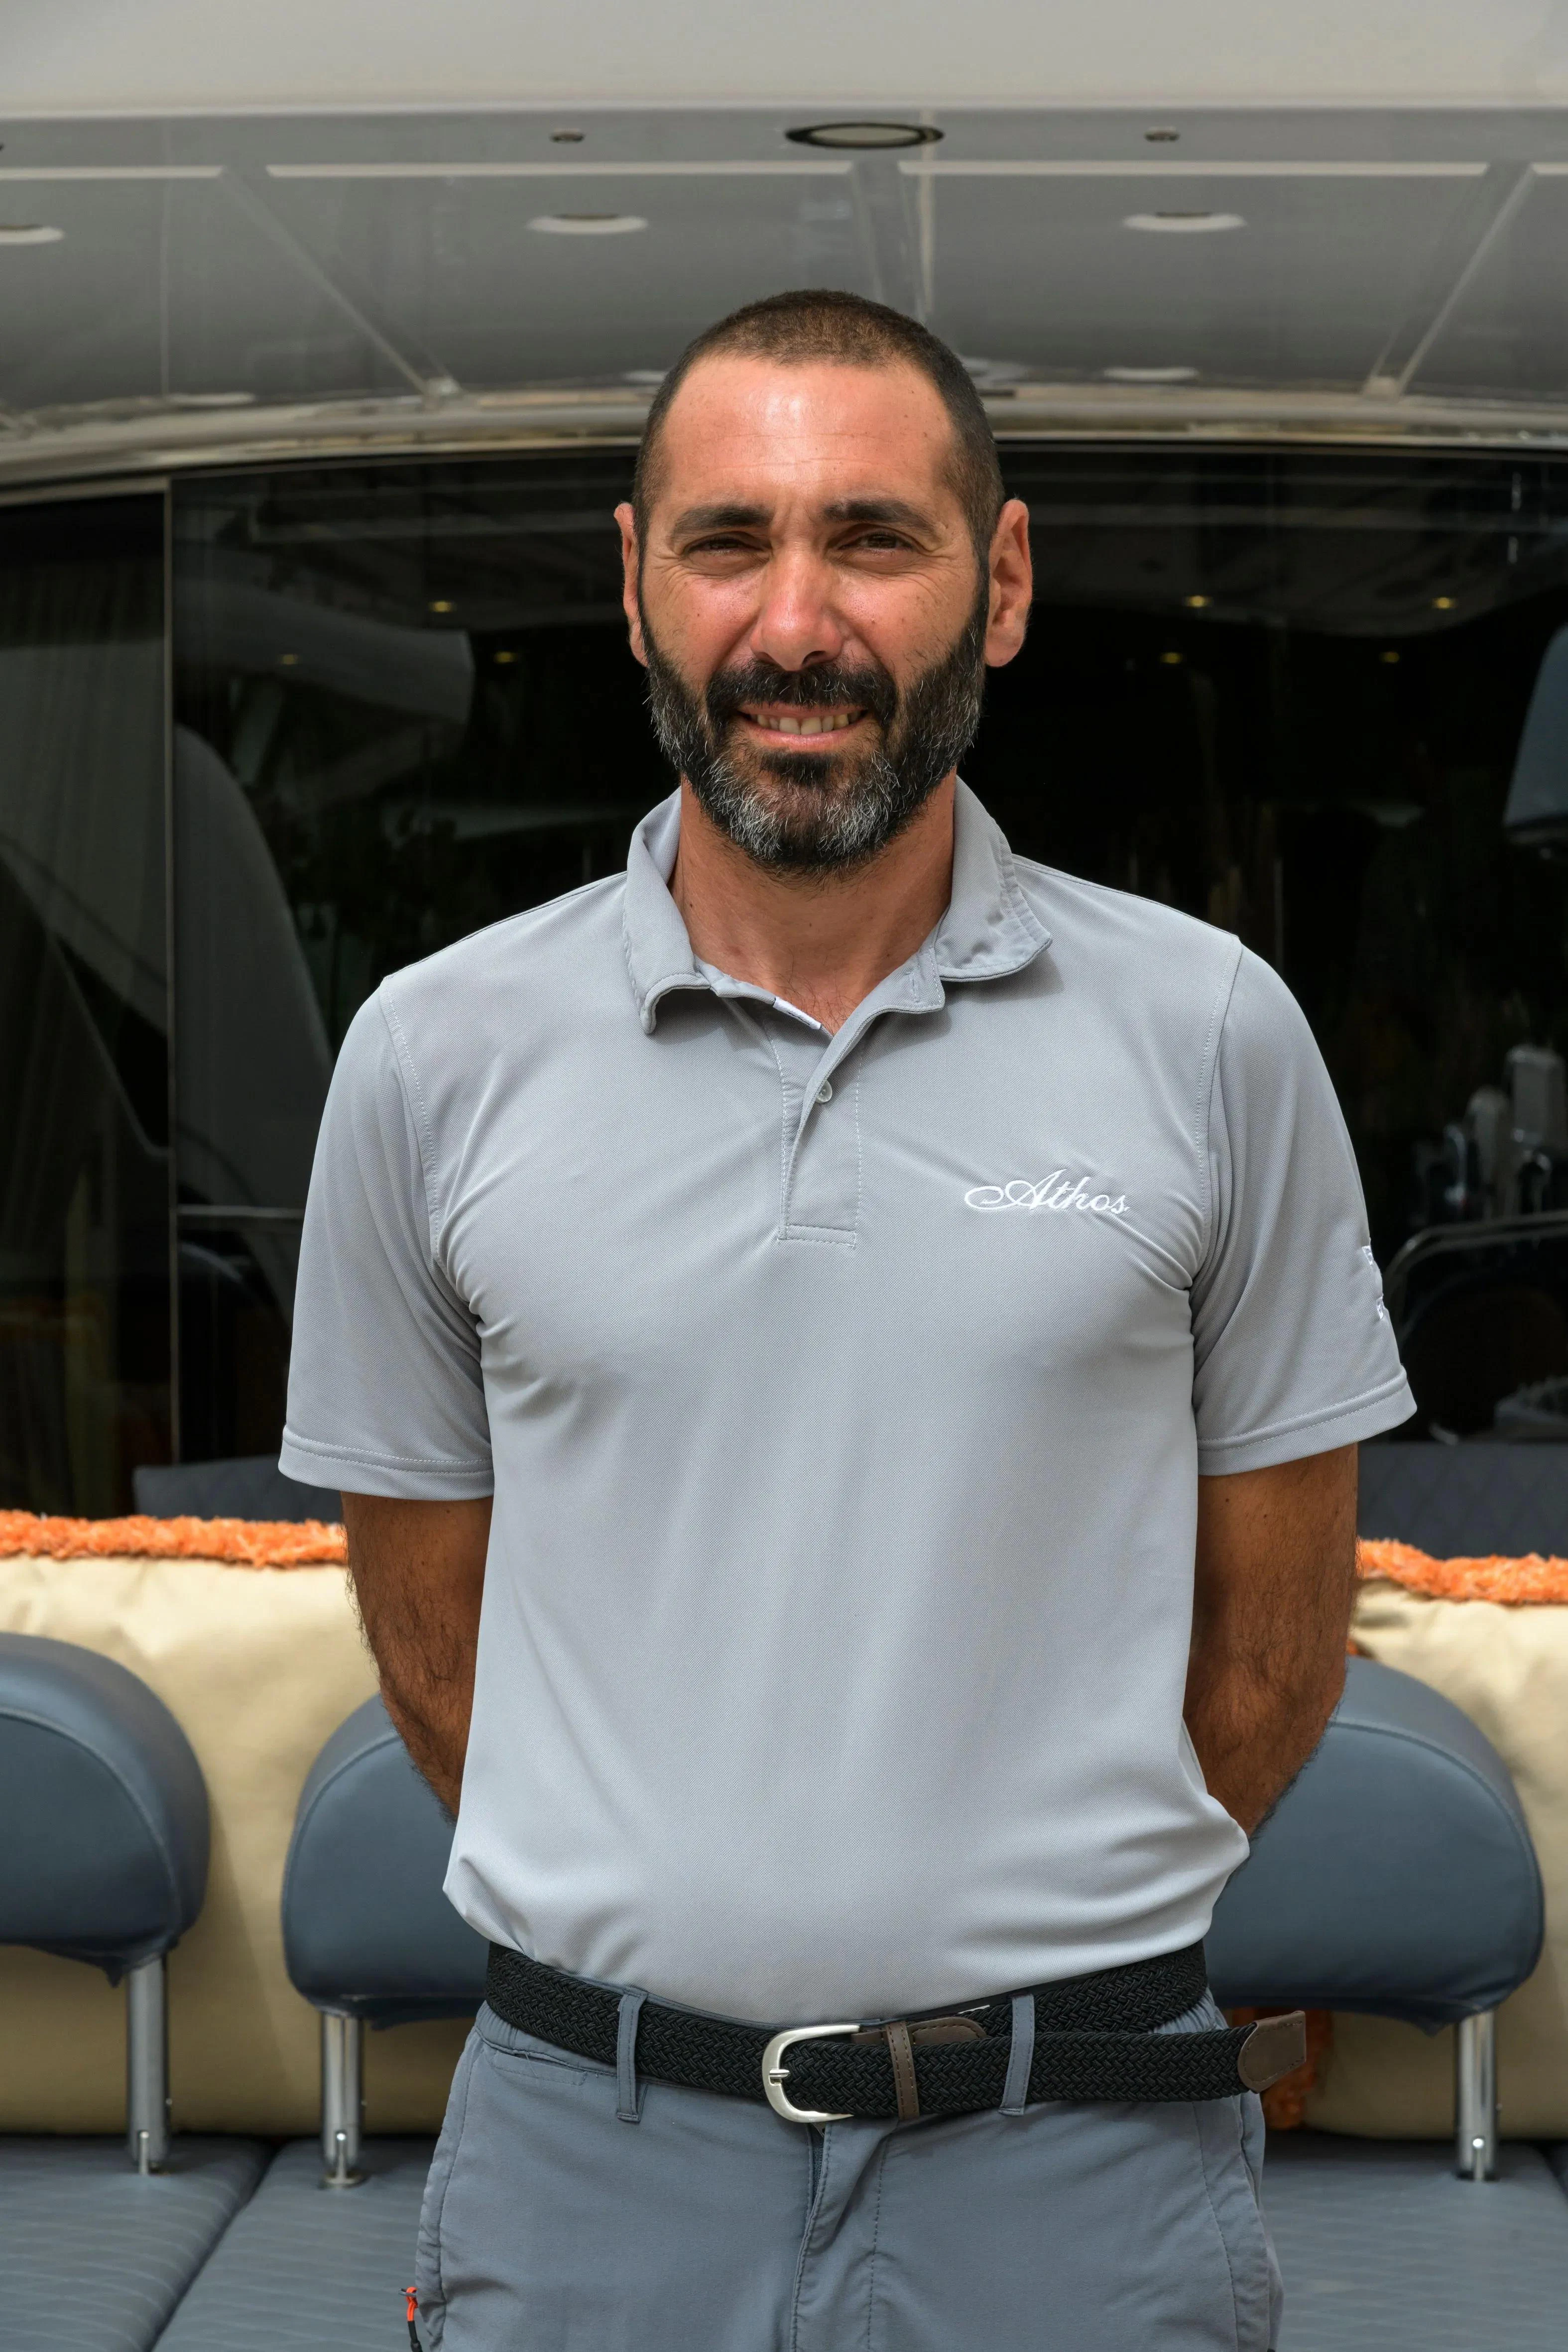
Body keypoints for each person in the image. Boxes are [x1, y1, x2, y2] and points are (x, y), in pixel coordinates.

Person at [280, 289, 1414, 2352]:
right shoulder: (432, 1057)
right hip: (590, 2150)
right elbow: (435, 1648)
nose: (794, 621)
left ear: (999, 586)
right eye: (729, 541)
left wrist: (1013, 1937)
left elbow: (1273, 1644)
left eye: (872, 540)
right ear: (635, 585)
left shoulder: (1210, 1036)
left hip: (1078, 2159)